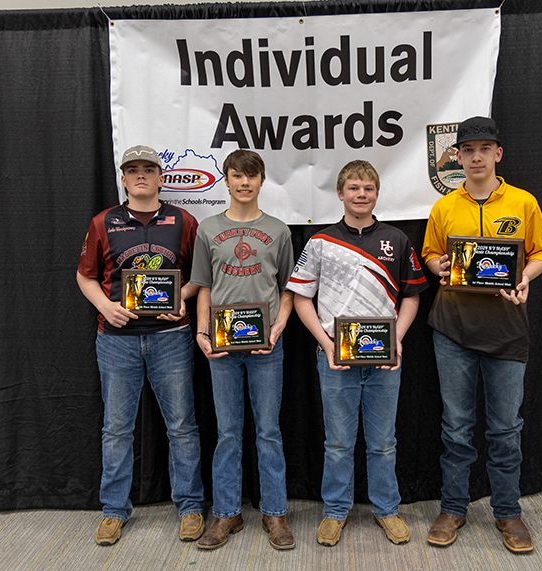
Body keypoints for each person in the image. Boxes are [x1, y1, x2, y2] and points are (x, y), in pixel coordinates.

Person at [421, 117, 542, 554]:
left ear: (498, 154)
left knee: (505, 429)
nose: (476, 157)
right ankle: (453, 508)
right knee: (456, 428)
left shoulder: (523, 202)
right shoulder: (444, 207)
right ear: (457, 157)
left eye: (484, 149)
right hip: (453, 328)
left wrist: (525, 279)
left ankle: (508, 512)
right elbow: (430, 253)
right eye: (468, 150)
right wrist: (439, 266)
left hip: (507, 331)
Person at [288, 160, 428, 547]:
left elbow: (413, 296)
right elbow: (301, 298)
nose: (360, 195)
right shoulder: (320, 241)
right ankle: (335, 511)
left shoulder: (397, 239)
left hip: (385, 360)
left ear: (377, 194)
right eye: (353, 188)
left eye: (367, 188)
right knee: (337, 442)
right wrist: (326, 342)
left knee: (384, 442)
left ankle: (387, 509)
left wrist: (397, 339)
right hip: (334, 358)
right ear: (340, 194)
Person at [77, 145, 205, 546]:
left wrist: (181, 296)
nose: (141, 176)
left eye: (148, 169)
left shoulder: (183, 221)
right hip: (116, 340)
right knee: (116, 429)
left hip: (171, 338)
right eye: (132, 170)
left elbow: (201, 275)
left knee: (182, 426)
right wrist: (104, 305)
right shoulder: (104, 222)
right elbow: (85, 275)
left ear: (161, 177)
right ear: (124, 178)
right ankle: (114, 511)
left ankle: (190, 506)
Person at [190, 150, 296, 551]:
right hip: (222, 345)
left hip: (267, 345)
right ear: (227, 180)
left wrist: (280, 324)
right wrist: (202, 332)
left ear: (262, 181)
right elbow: (203, 285)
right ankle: (227, 512)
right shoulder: (208, 229)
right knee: (228, 433)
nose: (244, 183)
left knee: (268, 432)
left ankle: (275, 512)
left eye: (251, 176)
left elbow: (289, 287)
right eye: (237, 176)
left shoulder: (279, 230)